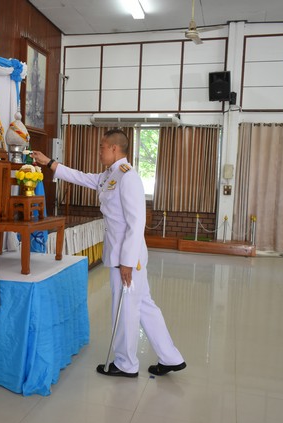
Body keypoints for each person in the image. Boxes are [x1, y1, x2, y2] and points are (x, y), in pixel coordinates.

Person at [31, 129, 186, 378]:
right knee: (144, 305)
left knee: (125, 309)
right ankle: (171, 357)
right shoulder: (110, 175)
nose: (99, 151)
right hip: (121, 255)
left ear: (114, 148)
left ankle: (126, 363)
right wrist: (50, 163)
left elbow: (136, 223)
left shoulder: (128, 177)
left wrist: (127, 262)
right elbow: (82, 177)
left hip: (127, 258)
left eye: (102, 147)